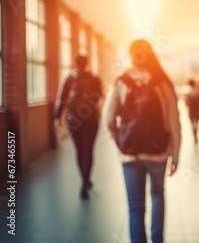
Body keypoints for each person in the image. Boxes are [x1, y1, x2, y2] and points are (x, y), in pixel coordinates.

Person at [102, 39, 181, 243]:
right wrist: (175, 154)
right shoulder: (162, 83)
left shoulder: (121, 82)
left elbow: (108, 119)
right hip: (158, 152)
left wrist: (120, 140)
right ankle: (157, 240)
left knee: (135, 207)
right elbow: (173, 121)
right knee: (157, 196)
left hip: (130, 154)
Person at [54, 55, 102, 199]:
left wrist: (57, 117)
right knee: (88, 150)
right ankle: (85, 182)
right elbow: (99, 97)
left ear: (75, 63)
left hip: (73, 119)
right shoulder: (95, 79)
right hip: (91, 119)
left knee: (80, 151)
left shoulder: (69, 79)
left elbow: (61, 99)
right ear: (87, 63)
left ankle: (84, 181)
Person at [185, 79, 199, 146]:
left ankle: (195, 135)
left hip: (191, 112)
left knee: (193, 125)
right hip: (197, 112)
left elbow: (186, 103)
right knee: (196, 125)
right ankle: (196, 134)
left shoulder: (189, 93)